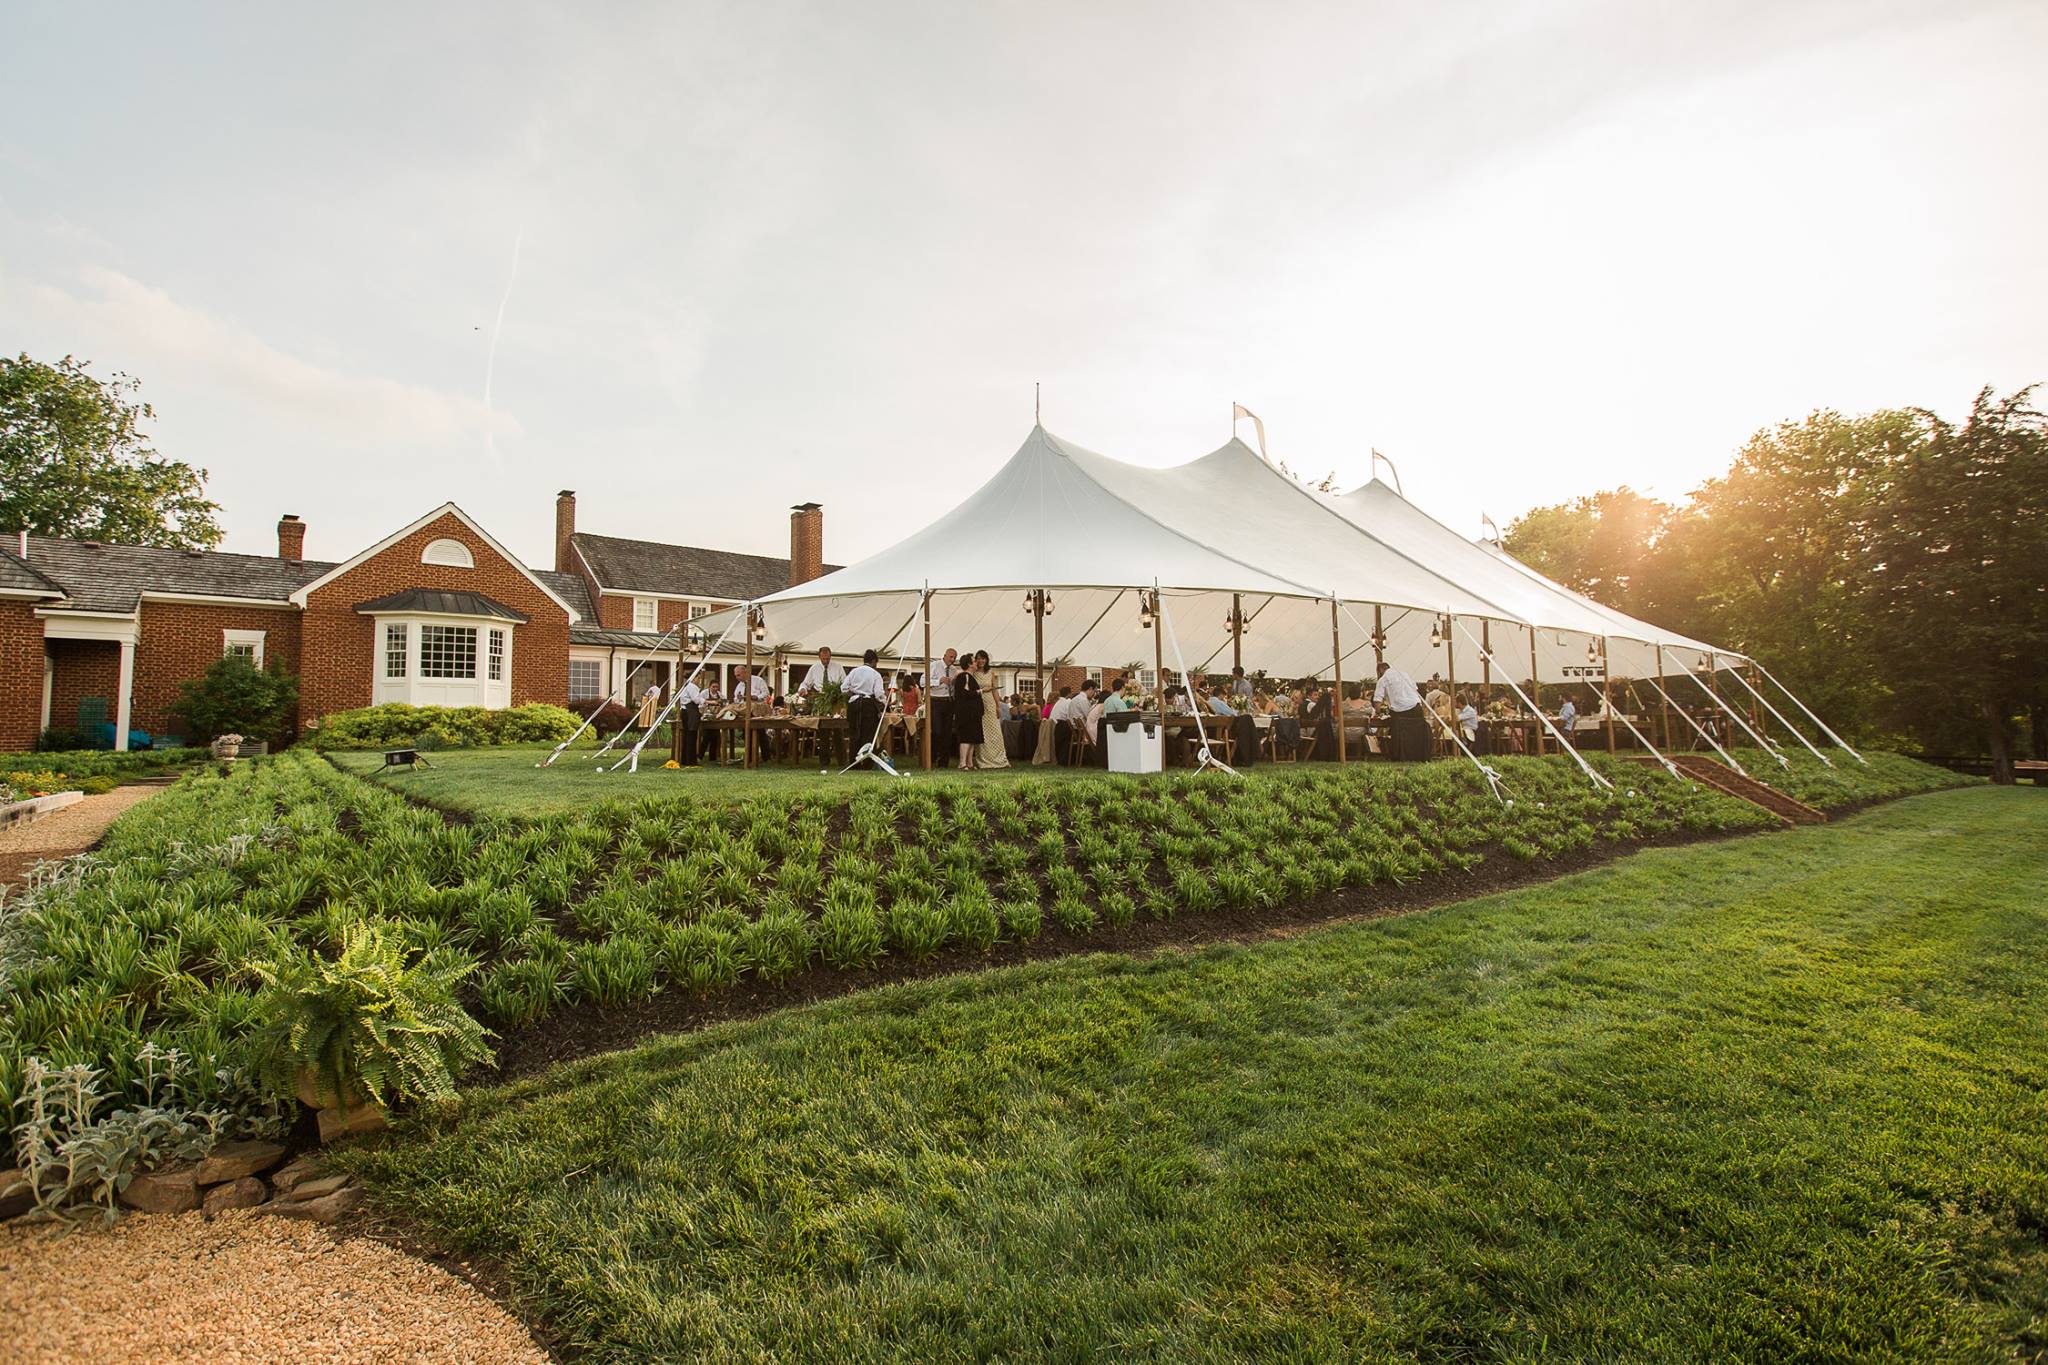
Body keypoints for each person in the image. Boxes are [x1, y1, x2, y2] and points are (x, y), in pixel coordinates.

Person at [1373, 660, 1429, 762]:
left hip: (1400, 711)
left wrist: (1379, 713)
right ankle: (1418, 756)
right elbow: (1415, 691)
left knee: (1400, 734)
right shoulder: (1404, 674)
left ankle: (1400, 756)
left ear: (1380, 670)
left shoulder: (1383, 679)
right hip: (1416, 707)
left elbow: (1377, 700)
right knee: (1416, 733)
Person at [843, 649, 887, 764]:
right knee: (868, 734)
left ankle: (853, 762)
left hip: (854, 703)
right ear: (873, 661)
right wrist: (884, 702)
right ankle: (867, 763)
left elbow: (843, 688)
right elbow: (878, 694)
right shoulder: (875, 674)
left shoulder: (854, 672)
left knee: (854, 733)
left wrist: (853, 692)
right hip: (868, 704)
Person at [975, 652, 1009, 770]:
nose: (981, 661)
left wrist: (997, 706)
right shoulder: (973, 673)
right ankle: (984, 759)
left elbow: (995, 690)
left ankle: (998, 758)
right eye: (979, 659)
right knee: (982, 731)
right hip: (979, 702)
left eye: (983, 659)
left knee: (995, 731)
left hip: (990, 702)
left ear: (986, 660)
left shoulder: (991, 673)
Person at [951, 647, 982, 768]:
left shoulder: (971, 676)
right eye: (974, 661)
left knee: (972, 738)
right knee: (966, 738)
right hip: (966, 713)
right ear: (969, 664)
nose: (976, 663)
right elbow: (963, 694)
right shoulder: (963, 676)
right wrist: (980, 691)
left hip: (973, 713)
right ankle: (962, 763)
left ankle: (969, 762)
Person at [928, 646, 957, 765]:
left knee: (947, 733)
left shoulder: (954, 670)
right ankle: (932, 757)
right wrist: (939, 681)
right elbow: (922, 682)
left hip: (949, 701)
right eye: (951, 657)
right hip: (936, 700)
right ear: (944, 655)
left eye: (954, 658)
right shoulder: (934, 665)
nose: (952, 659)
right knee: (937, 731)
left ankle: (944, 762)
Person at [674, 671, 710, 766]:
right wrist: (707, 701)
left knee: (687, 735)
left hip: (686, 712)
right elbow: (696, 699)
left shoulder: (686, 686)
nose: (699, 680)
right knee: (691, 735)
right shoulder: (692, 687)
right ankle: (691, 761)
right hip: (690, 713)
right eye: (698, 678)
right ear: (693, 678)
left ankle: (685, 759)